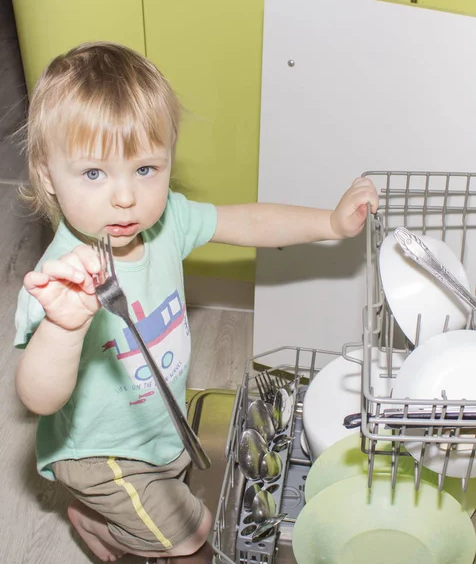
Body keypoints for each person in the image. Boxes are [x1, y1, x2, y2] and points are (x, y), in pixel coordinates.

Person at [14, 41, 378, 563]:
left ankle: (95, 522)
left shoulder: (167, 224)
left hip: (161, 423)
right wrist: (64, 328)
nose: (125, 197)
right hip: (102, 454)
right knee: (193, 540)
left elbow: (246, 221)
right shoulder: (60, 281)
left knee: (179, 507)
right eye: (94, 173)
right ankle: (109, 522)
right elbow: (37, 399)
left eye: (145, 169)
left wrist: (329, 223)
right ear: (48, 175)